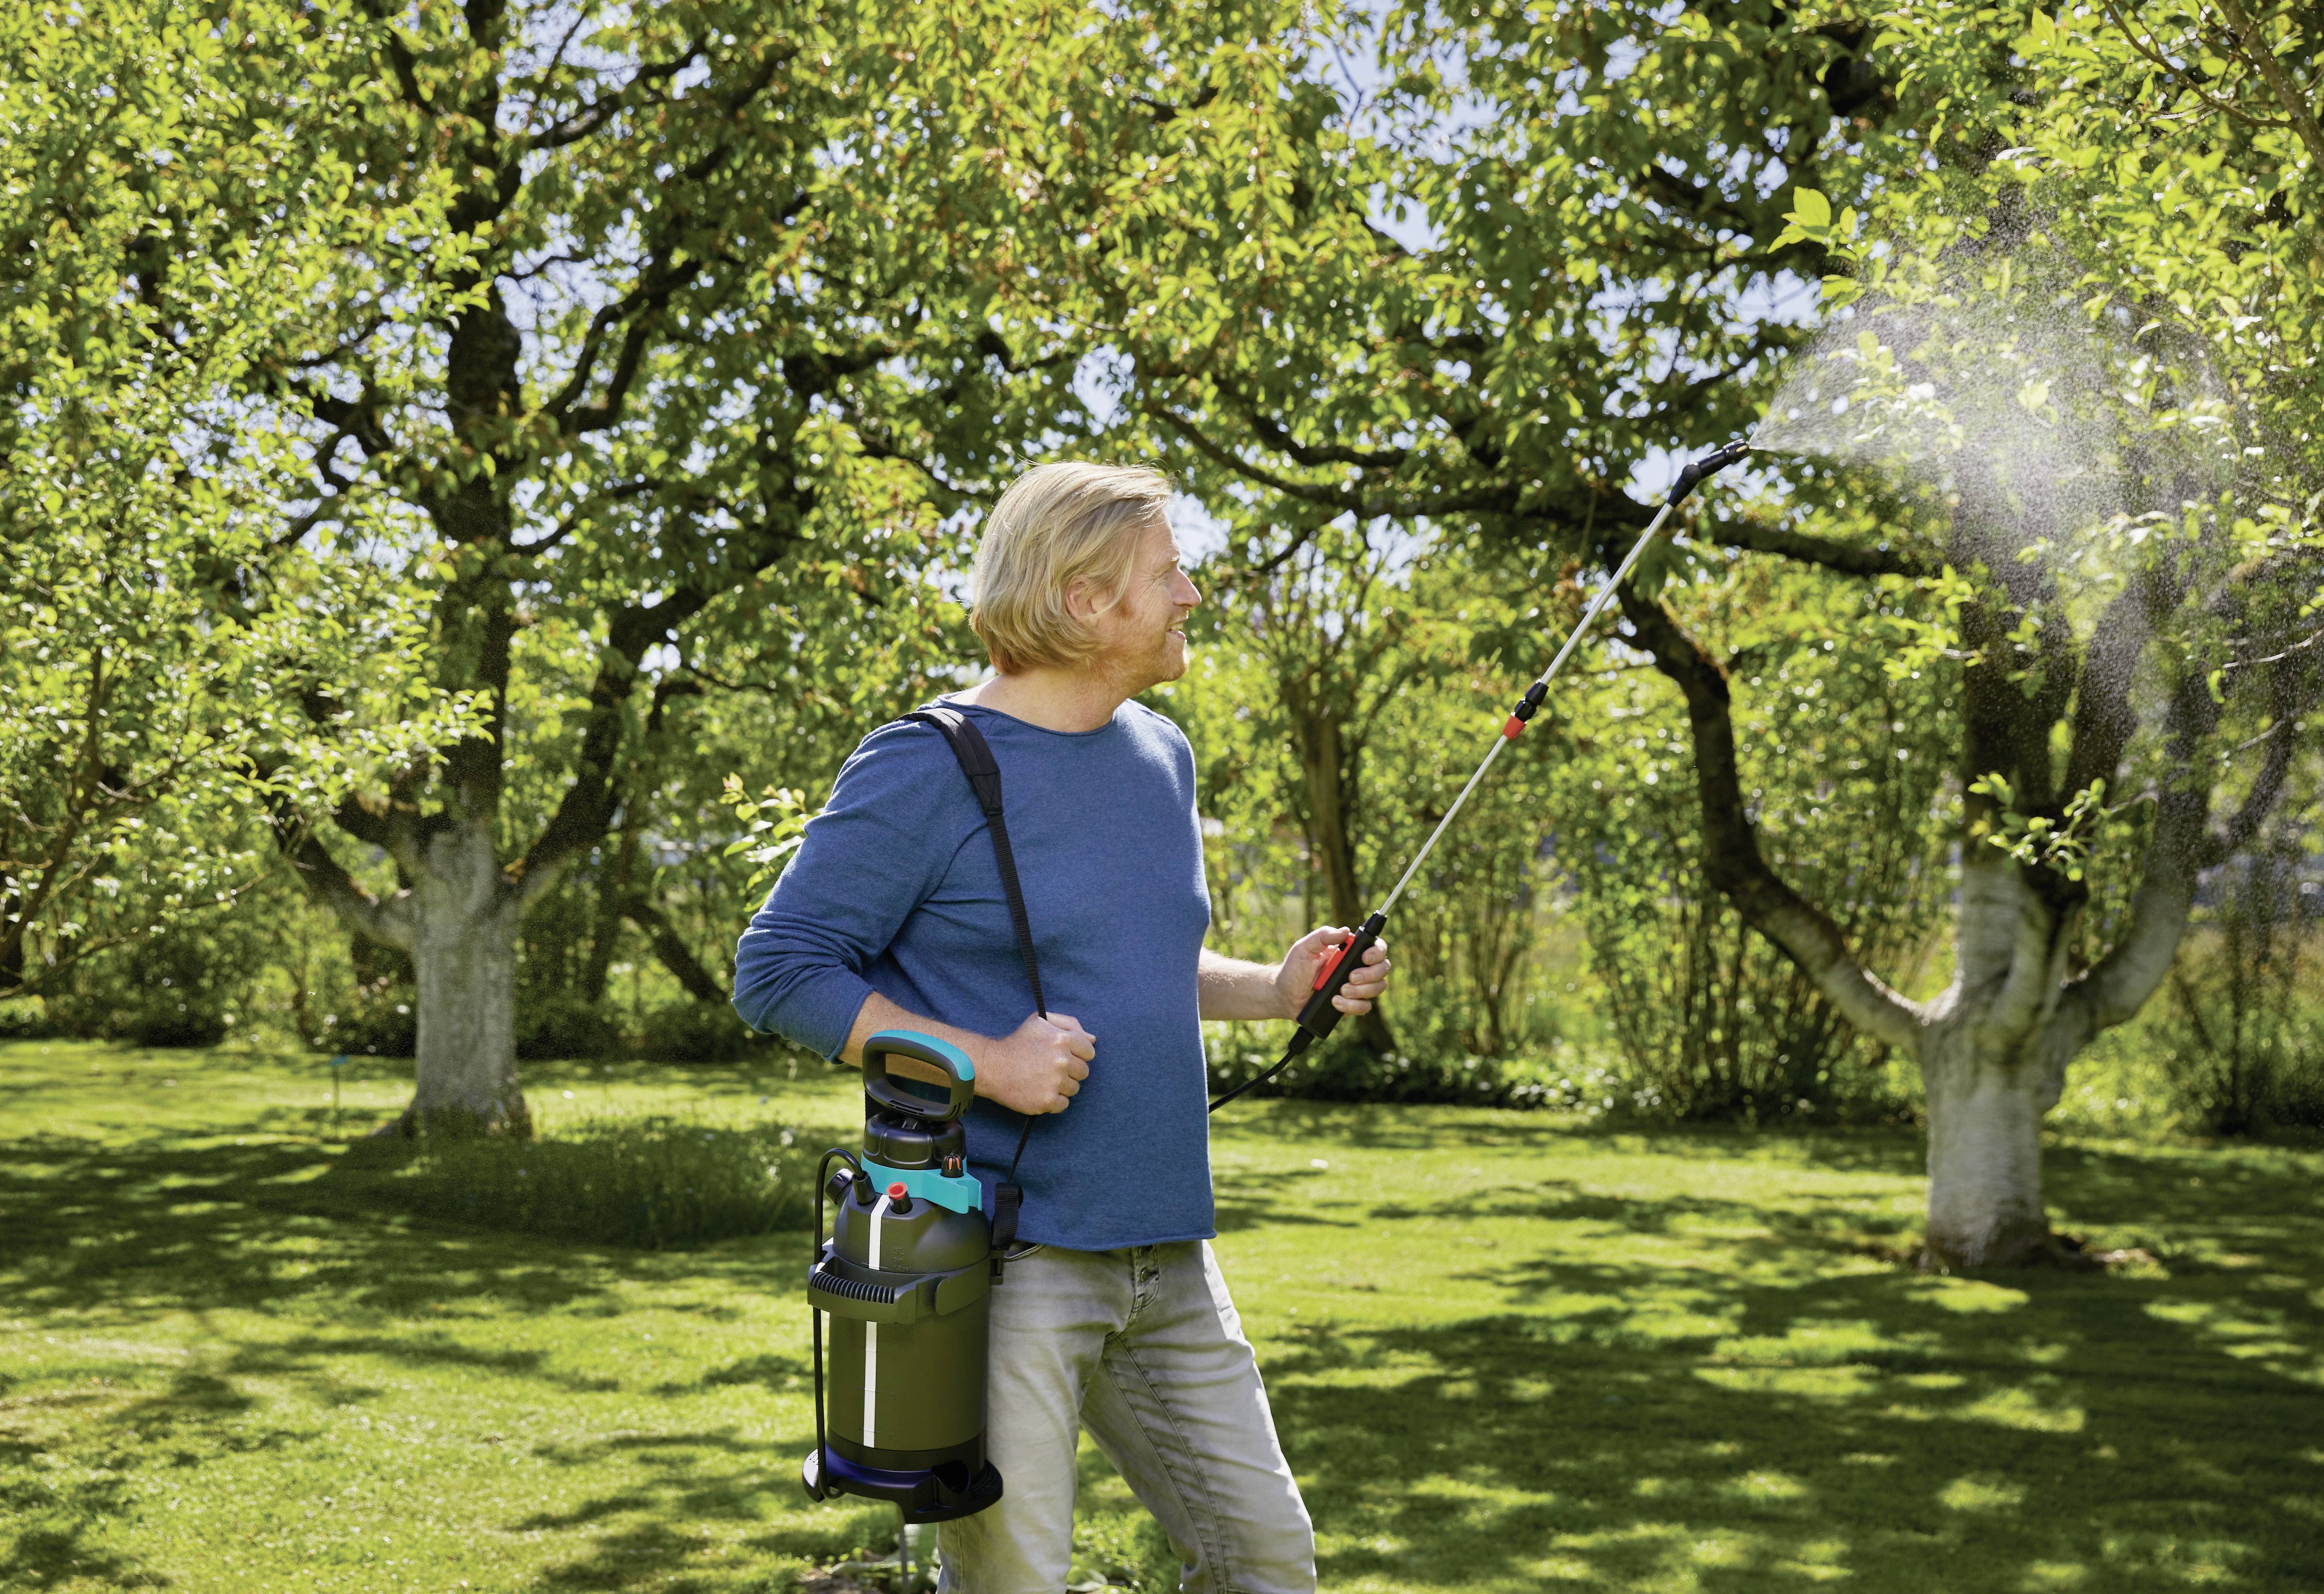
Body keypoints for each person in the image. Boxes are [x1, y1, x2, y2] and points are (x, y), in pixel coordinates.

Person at [732, 462, 1391, 1594]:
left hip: (1168, 1250)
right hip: (1001, 1261)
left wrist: (1275, 990)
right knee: (1011, 1581)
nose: (1190, 593)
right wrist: (983, 1064)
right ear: (1087, 600)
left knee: (1267, 1561)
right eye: (1168, 571)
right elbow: (778, 967)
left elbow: (1138, 964)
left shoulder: (1159, 755)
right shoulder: (928, 763)